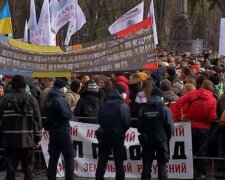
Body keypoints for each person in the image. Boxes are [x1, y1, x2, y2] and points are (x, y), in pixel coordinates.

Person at [0, 75, 42, 180]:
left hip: (10, 140)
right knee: (28, 170)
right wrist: (37, 138)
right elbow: (37, 121)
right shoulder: (32, 100)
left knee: (10, 170)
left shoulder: (5, 100)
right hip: (28, 140)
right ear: (25, 85)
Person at [95, 84, 131, 180]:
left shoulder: (103, 104)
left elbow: (99, 119)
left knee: (102, 160)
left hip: (104, 135)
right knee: (119, 162)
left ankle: (99, 177)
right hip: (118, 136)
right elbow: (127, 122)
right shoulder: (122, 105)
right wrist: (121, 131)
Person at [138, 87, 174, 180]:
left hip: (147, 140)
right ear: (161, 97)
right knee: (162, 167)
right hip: (161, 140)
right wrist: (167, 138)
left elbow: (139, 127)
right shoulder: (165, 109)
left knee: (146, 166)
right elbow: (169, 126)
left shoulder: (143, 109)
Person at [44, 78, 74, 180]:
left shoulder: (49, 99)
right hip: (63, 130)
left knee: (53, 158)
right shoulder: (60, 99)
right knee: (69, 157)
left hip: (53, 130)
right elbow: (67, 114)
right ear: (61, 88)